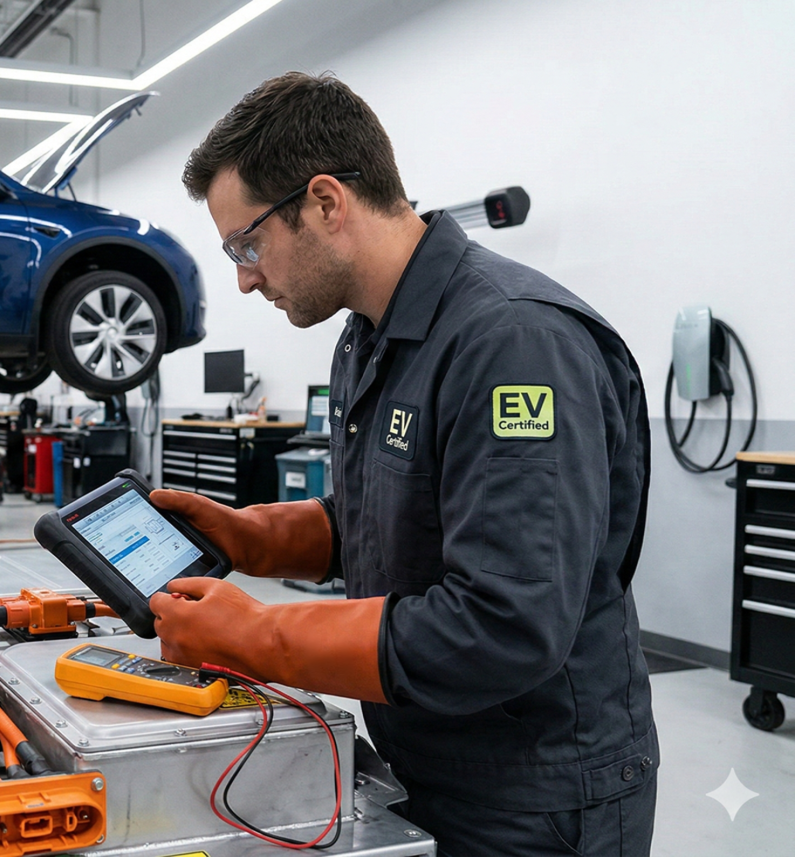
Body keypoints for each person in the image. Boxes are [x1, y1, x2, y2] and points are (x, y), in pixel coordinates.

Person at [148, 72, 655, 856]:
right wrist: (251, 535)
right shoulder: (371, 335)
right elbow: (378, 524)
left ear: (324, 202)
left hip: (534, 795)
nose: (245, 276)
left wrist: (260, 635)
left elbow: (503, 624)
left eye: (247, 245)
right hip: (424, 760)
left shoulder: (512, 341)